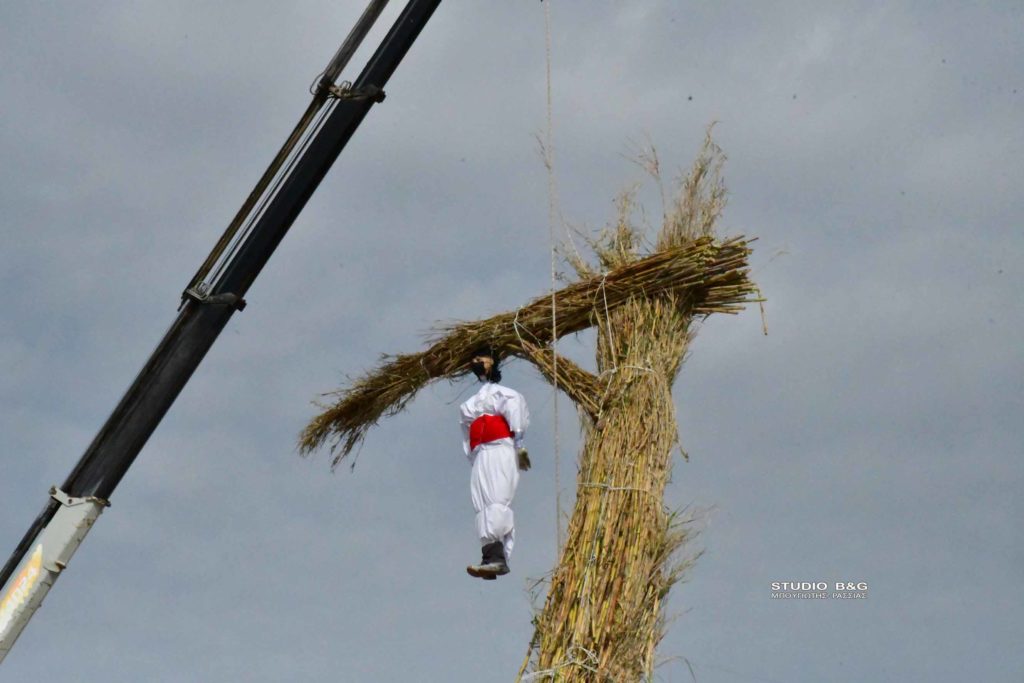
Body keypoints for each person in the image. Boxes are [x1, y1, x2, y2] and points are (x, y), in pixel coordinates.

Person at [460, 346, 530, 580]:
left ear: (493, 362)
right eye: (474, 358)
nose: (477, 361)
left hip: (500, 448)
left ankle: (499, 558)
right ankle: (490, 555)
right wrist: (474, 455)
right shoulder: (470, 404)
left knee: (497, 497)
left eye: (482, 358)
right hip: (481, 454)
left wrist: (519, 446)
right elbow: (467, 431)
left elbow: (516, 415)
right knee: (482, 501)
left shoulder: (504, 394)